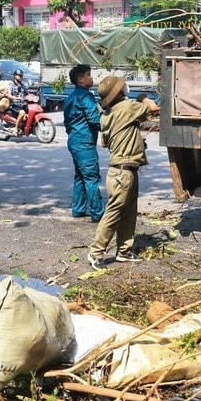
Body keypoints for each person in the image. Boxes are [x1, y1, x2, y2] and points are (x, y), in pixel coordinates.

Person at [87, 76, 154, 270]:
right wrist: (143, 97)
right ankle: (96, 252)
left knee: (128, 212)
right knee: (114, 213)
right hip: (122, 173)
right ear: (117, 94)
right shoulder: (127, 107)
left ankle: (124, 251)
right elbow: (153, 108)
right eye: (121, 87)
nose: (125, 87)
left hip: (122, 171)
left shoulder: (108, 114)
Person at [62, 64, 103, 222]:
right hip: (85, 143)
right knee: (92, 177)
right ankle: (98, 213)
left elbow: (67, 123)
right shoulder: (86, 97)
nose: (92, 78)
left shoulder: (70, 98)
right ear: (80, 79)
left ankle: (78, 209)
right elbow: (95, 120)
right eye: (88, 74)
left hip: (74, 141)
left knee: (80, 176)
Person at [9, 68, 29, 135]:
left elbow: (27, 93)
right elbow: (9, 95)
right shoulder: (12, 85)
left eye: (21, 76)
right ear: (15, 76)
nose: (21, 77)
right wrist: (16, 98)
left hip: (23, 105)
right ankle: (16, 128)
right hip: (15, 105)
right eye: (19, 75)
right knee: (22, 113)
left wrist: (33, 96)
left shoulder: (22, 85)